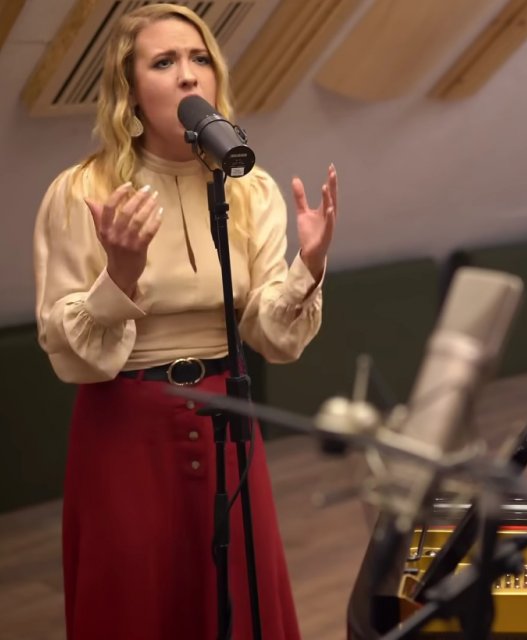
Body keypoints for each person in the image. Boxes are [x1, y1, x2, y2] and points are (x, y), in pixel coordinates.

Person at [33, 4, 337, 639]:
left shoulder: (250, 187)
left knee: (240, 599)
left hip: (230, 413)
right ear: (130, 91)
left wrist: (308, 267)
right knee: (137, 604)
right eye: (164, 62)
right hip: (126, 425)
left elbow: (270, 336)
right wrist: (119, 275)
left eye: (200, 59)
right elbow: (67, 347)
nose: (188, 75)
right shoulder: (82, 190)